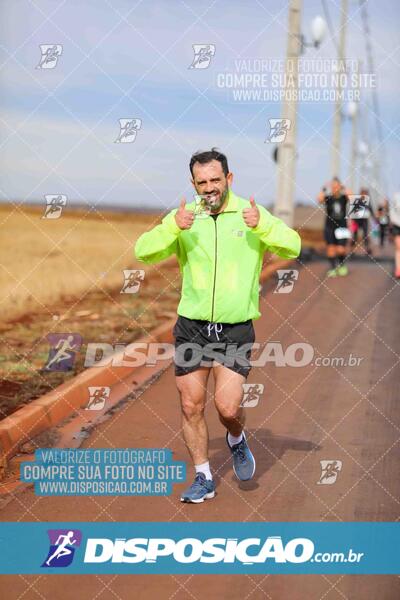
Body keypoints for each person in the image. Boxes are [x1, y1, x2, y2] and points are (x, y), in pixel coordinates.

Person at [134, 148, 301, 503]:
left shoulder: (250, 214)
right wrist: (171, 229)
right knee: (191, 405)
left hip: (235, 328)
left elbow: (293, 246)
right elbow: (143, 251)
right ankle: (203, 476)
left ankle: (236, 438)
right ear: (193, 183)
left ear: (229, 178)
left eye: (215, 179)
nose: (209, 188)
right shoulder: (184, 217)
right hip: (192, 327)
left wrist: (264, 225)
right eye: (201, 182)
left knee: (227, 409)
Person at [318, 177, 351, 277]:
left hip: (342, 226)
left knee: (341, 249)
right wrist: (324, 188)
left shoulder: (343, 198)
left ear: (339, 187)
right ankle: (333, 268)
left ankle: (342, 265)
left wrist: (343, 187)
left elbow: (351, 196)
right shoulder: (328, 198)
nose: (334, 188)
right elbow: (319, 199)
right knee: (330, 248)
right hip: (329, 226)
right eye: (333, 187)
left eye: (336, 186)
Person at [349, 187, 372, 256]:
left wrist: (375, 217)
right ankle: (352, 250)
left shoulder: (368, 202)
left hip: (364, 221)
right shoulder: (357, 201)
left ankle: (367, 249)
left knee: (365, 235)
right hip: (356, 221)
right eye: (363, 194)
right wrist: (352, 220)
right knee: (355, 236)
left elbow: (371, 210)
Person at [389, 192, 400, 279]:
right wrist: (392, 221)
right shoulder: (396, 196)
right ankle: (398, 269)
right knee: (398, 247)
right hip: (397, 224)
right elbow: (392, 210)